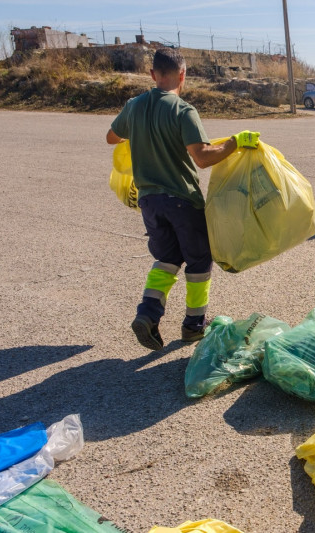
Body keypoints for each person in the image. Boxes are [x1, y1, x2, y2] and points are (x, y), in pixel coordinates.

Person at [106, 47, 260, 351]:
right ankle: (193, 325)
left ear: (152, 75)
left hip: (148, 203)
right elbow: (202, 158)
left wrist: (138, 133)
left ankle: (147, 314)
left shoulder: (133, 106)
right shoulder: (182, 110)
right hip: (181, 199)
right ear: (183, 74)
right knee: (199, 260)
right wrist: (235, 141)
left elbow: (112, 137)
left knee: (166, 259)